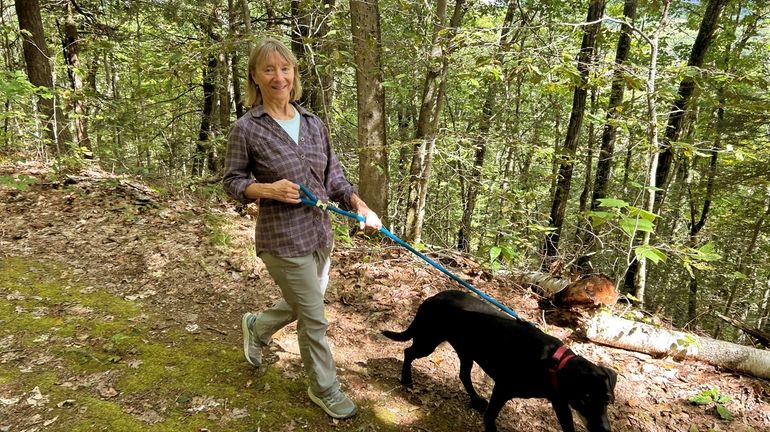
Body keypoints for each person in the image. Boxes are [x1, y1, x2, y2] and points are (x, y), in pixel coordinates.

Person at [222, 37, 381, 420]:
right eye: (269, 69)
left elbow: (335, 178)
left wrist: (361, 207)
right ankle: (324, 388)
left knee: (301, 304)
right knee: (314, 317)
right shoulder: (247, 128)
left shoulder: (312, 123)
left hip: (320, 235)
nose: (279, 77)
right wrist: (265, 190)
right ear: (254, 77)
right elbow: (231, 181)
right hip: (282, 240)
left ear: (294, 73)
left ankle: (257, 327)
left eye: (285, 68)